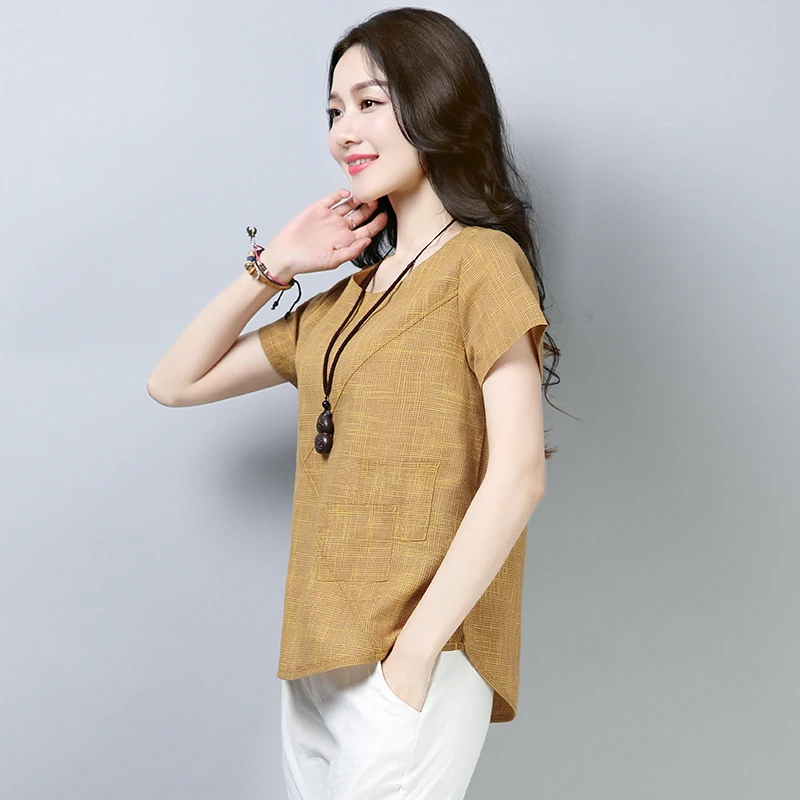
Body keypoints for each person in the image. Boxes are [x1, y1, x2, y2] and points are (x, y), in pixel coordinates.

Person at [147, 7, 563, 799]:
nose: (345, 132)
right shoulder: (347, 301)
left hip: (411, 655)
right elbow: (174, 382)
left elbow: (518, 477)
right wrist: (274, 263)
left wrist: (415, 656)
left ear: (436, 101)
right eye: (335, 111)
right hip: (316, 660)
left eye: (370, 103)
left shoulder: (482, 264)